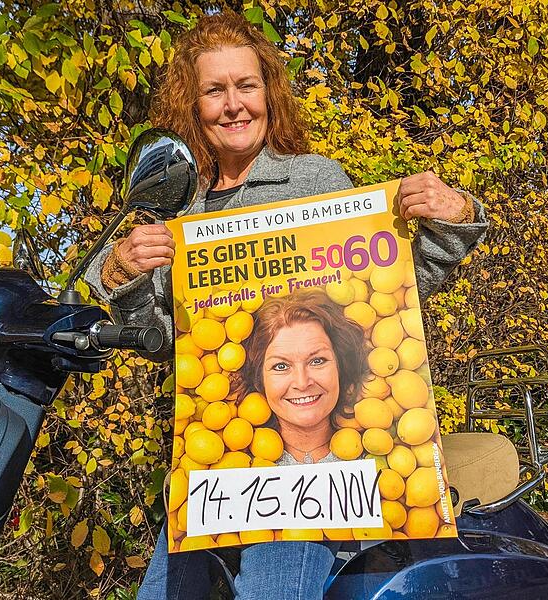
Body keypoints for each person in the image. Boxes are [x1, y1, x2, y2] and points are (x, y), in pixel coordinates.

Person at [84, 11, 488, 600]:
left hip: (317, 480)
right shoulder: (177, 201)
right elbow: (153, 339)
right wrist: (121, 272)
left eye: (246, 86)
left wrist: (453, 221)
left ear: (268, 93)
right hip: (211, 472)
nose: (234, 105)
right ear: (192, 106)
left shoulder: (317, 180)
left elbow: (389, 299)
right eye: (214, 91)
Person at [233, 290, 368, 465]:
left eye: (317, 361)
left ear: (340, 367)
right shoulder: (236, 467)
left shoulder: (377, 460)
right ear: (260, 379)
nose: (302, 383)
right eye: (281, 366)